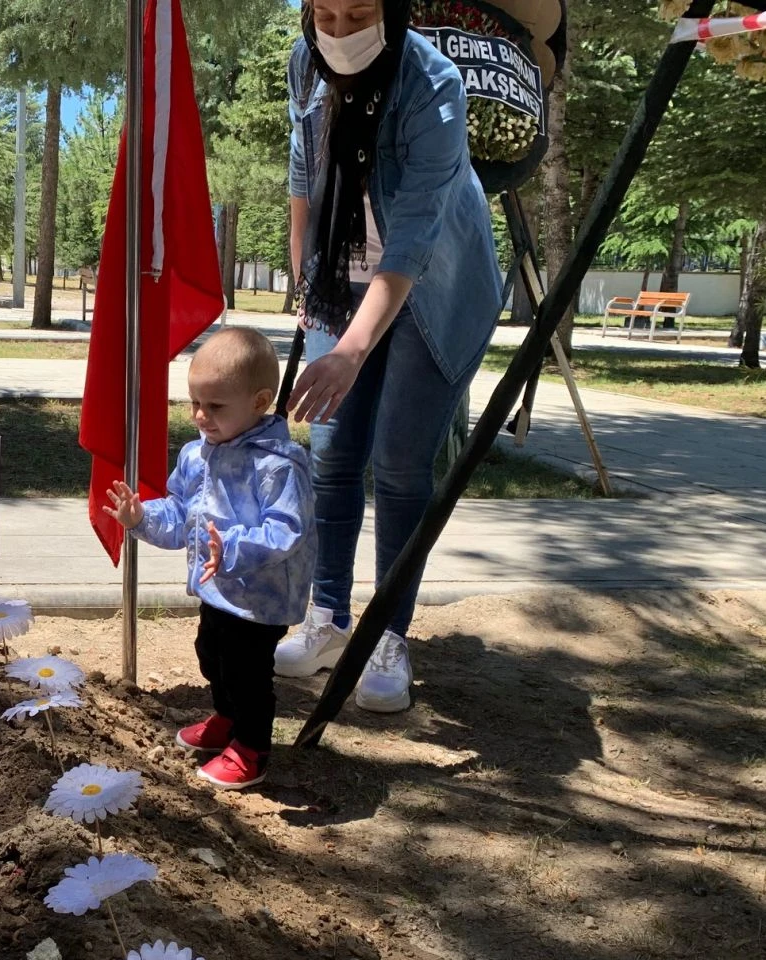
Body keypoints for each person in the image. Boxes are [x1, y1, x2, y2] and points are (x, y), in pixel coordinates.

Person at [273, 0, 503, 713]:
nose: (340, 33)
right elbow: (304, 180)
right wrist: (308, 297)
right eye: (327, 15)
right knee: (334, 456)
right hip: (340, 284)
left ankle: (387, 635)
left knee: (402, 465)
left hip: (433, 289)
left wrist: (348, 351)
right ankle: (330, 620)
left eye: (360, 14)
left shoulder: (433, 84)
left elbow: (413, 239)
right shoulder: (302, 62)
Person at [104, 328, 314, 790]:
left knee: (246, 671)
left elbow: (287, 532)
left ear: (260, 402)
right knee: (212, 654)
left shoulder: (278, 465)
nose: (200, 416)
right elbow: (180, 512)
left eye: (216, 407)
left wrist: (233, 547)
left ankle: (252, 746)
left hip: (260, 598)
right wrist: (142, 516)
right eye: (194, 403)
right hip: (217, 588)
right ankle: (226, 716)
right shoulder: (197, 455)